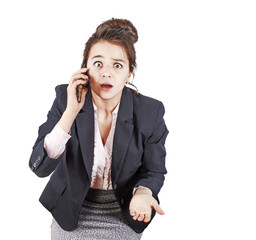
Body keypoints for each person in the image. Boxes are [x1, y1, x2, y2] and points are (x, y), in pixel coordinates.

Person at [29, 18, 169, 239]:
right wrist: (70, 112)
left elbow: (154, 170)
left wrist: (143, 193)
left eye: (117, 65)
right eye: (98, 63)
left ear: (129, 74)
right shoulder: (65, 98)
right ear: (85, 69)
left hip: (123, 209)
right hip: (71, 208)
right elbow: (40, 168)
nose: (106, 72)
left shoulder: (150, 112)